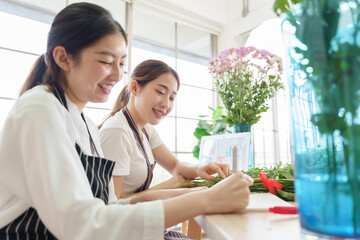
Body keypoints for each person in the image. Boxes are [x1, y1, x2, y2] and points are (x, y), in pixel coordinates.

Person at [0, 3, 253, 240]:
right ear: (63, 58)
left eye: (121, 63)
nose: (117, 74)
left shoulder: (85, 123)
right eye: (106, 61)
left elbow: (110, 205)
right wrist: (205, 201)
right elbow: (79, 224)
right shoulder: (39, 109)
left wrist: (197, 194)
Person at [99, 59, 233, 199]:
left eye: (172, 98)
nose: (166, 104)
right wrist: (166, 187)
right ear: (134, 88)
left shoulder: (145, 129)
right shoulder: (117, 132)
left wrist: (200, 168)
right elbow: (110, 206)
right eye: (160, 92)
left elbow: (175, 165)